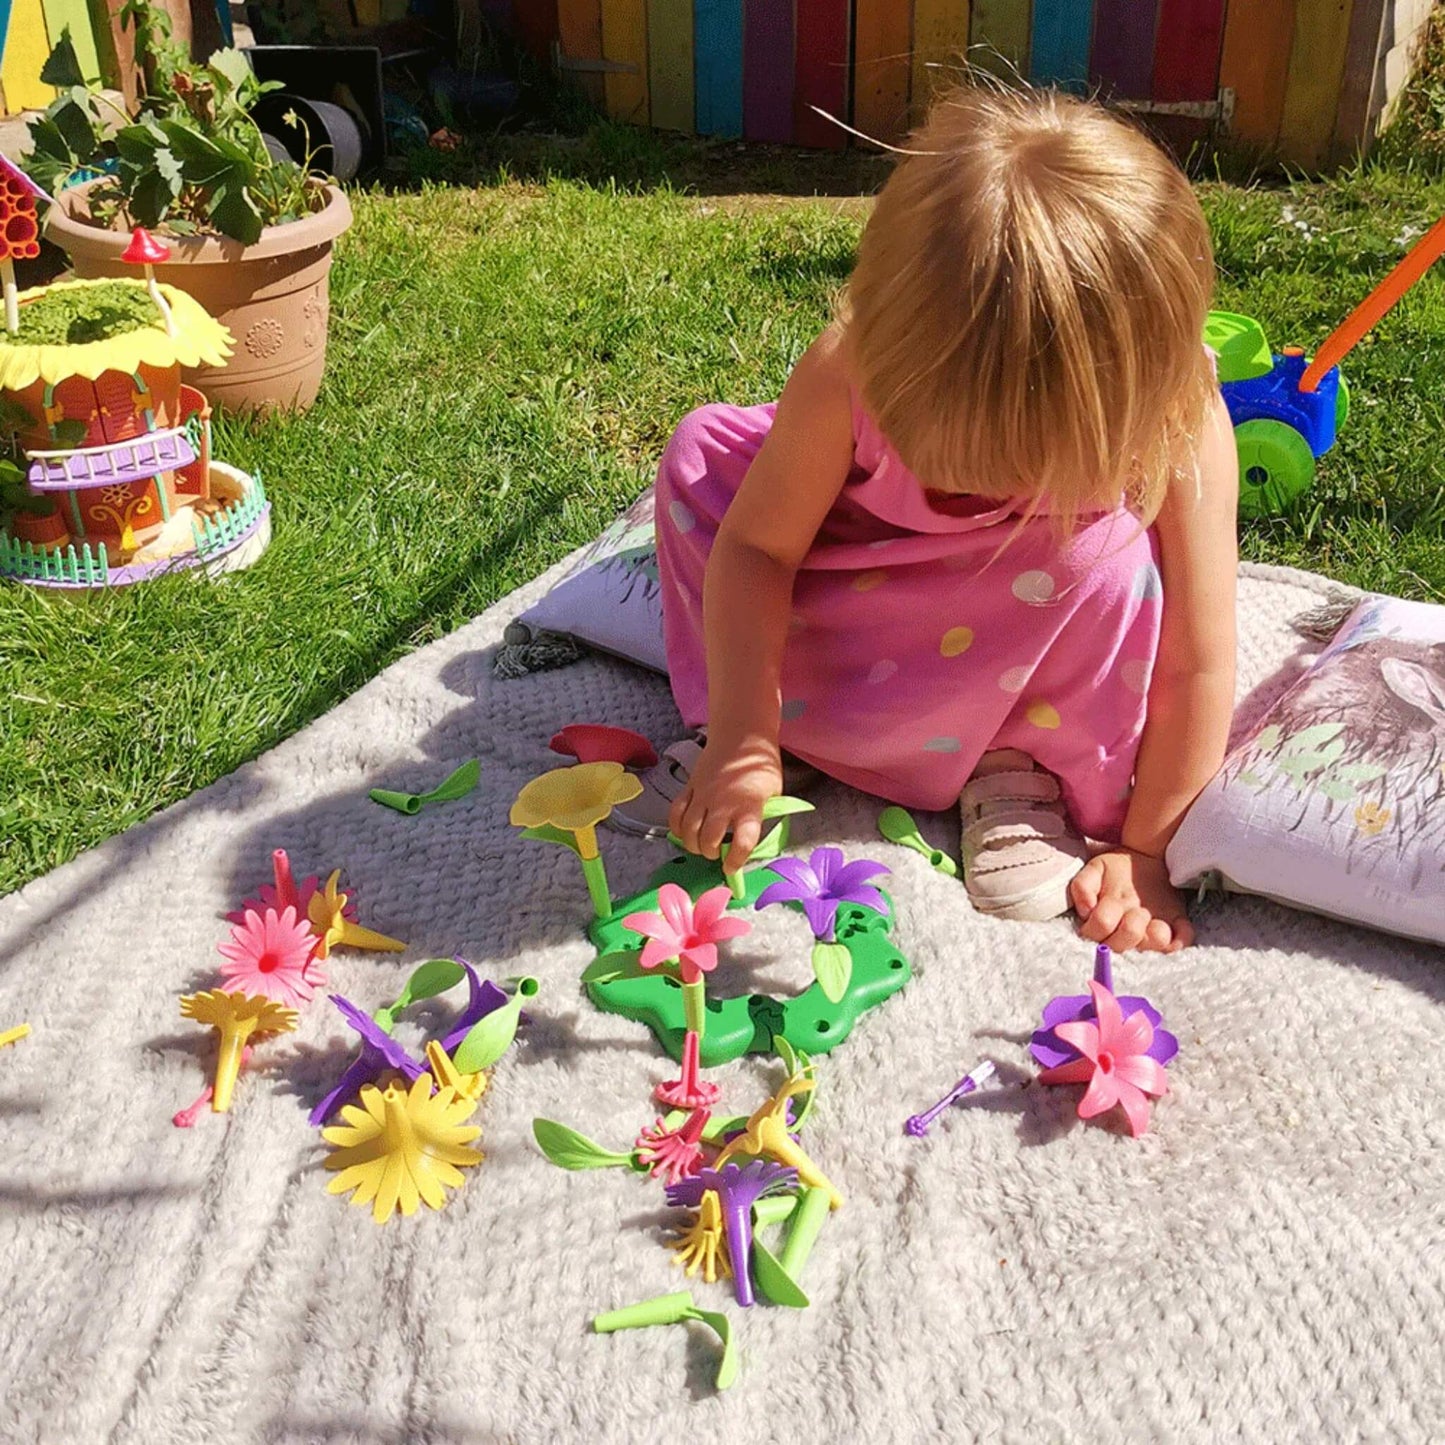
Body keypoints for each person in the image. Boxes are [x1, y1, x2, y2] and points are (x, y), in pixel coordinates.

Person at [628, 84, 1238, 954]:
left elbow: (1197, 657)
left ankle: (1016, 765)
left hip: (1015, 644)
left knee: (1101, 561)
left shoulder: (1176, 422)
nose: (968, 495)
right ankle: (789, 732)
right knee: (699, 457)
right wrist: (740, 734)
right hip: (852, 587)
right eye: (940, 455)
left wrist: (1144, 847)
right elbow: (760, 548)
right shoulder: (850, 366)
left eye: (1011, 475)